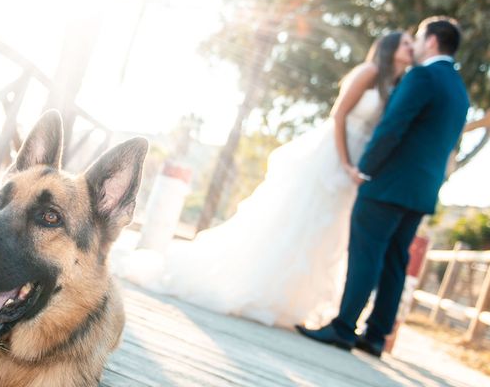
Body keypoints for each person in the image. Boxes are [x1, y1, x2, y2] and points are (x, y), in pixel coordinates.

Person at [113, 31, 414, 328]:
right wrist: (346, 161)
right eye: (405, 43)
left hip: (354, 166)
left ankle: (287, 299)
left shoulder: (396, 84)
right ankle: (254, 286)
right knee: (296, 221)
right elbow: (339, 115)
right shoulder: (370, 71)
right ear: (389, 48)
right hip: (335, 155)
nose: (410, 48)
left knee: (323, 229)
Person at [296, 17, 470, 357]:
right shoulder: (460, 91)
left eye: (419, 38)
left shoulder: (422, 76)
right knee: (394, 260)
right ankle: (376, 336)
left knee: (367, 252)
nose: (416, 45)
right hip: (423, 191)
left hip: (389, 183)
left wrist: (366, 168)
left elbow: (392, 127)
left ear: (432, 41)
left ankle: (343, 327)